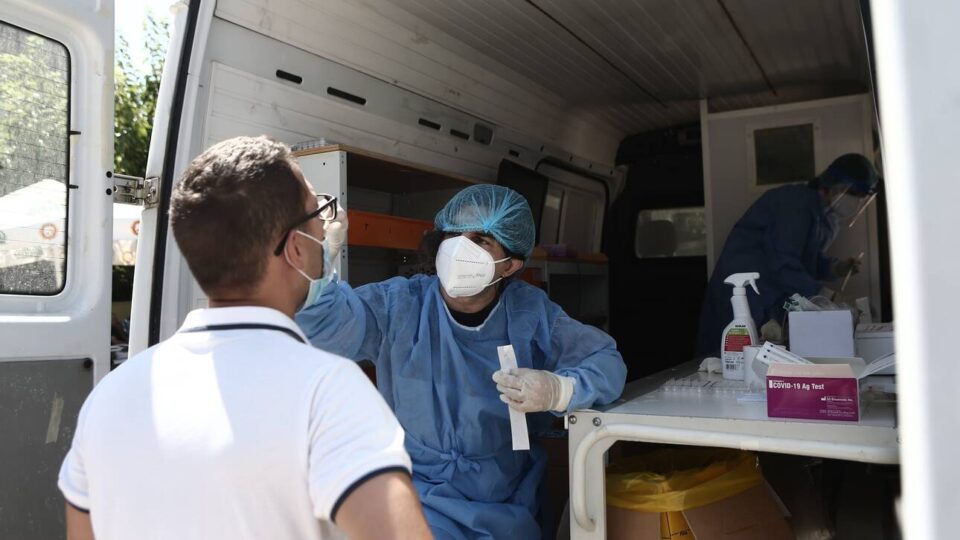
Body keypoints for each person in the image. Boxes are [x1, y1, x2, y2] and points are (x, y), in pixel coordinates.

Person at [58, 136, 431, 540]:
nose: (327, 228)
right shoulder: (329, 394)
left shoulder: (110, 397)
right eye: (319, 213)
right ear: (296, 249)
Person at [296, 184, 627, 539]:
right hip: (415, 490)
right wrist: (317, 266)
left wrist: (557, 391)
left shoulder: (530, 313)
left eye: (480, 240)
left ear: (510, 265)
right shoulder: (399, 303)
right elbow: (321, 330)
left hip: (503, 499)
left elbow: (606, 362)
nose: (459, 249)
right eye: (453, 234)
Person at [696, 153, 880, 354]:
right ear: (835, 184)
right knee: (726, 355)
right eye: (853, 193)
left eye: (861, 197)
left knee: (766, 354)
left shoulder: (823, 216)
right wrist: (828, 296)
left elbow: (806, 261)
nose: (855, 201)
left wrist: (835, 268)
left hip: (773, 294)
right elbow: (784, 263)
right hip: (747, 291)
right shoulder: (794, 204)